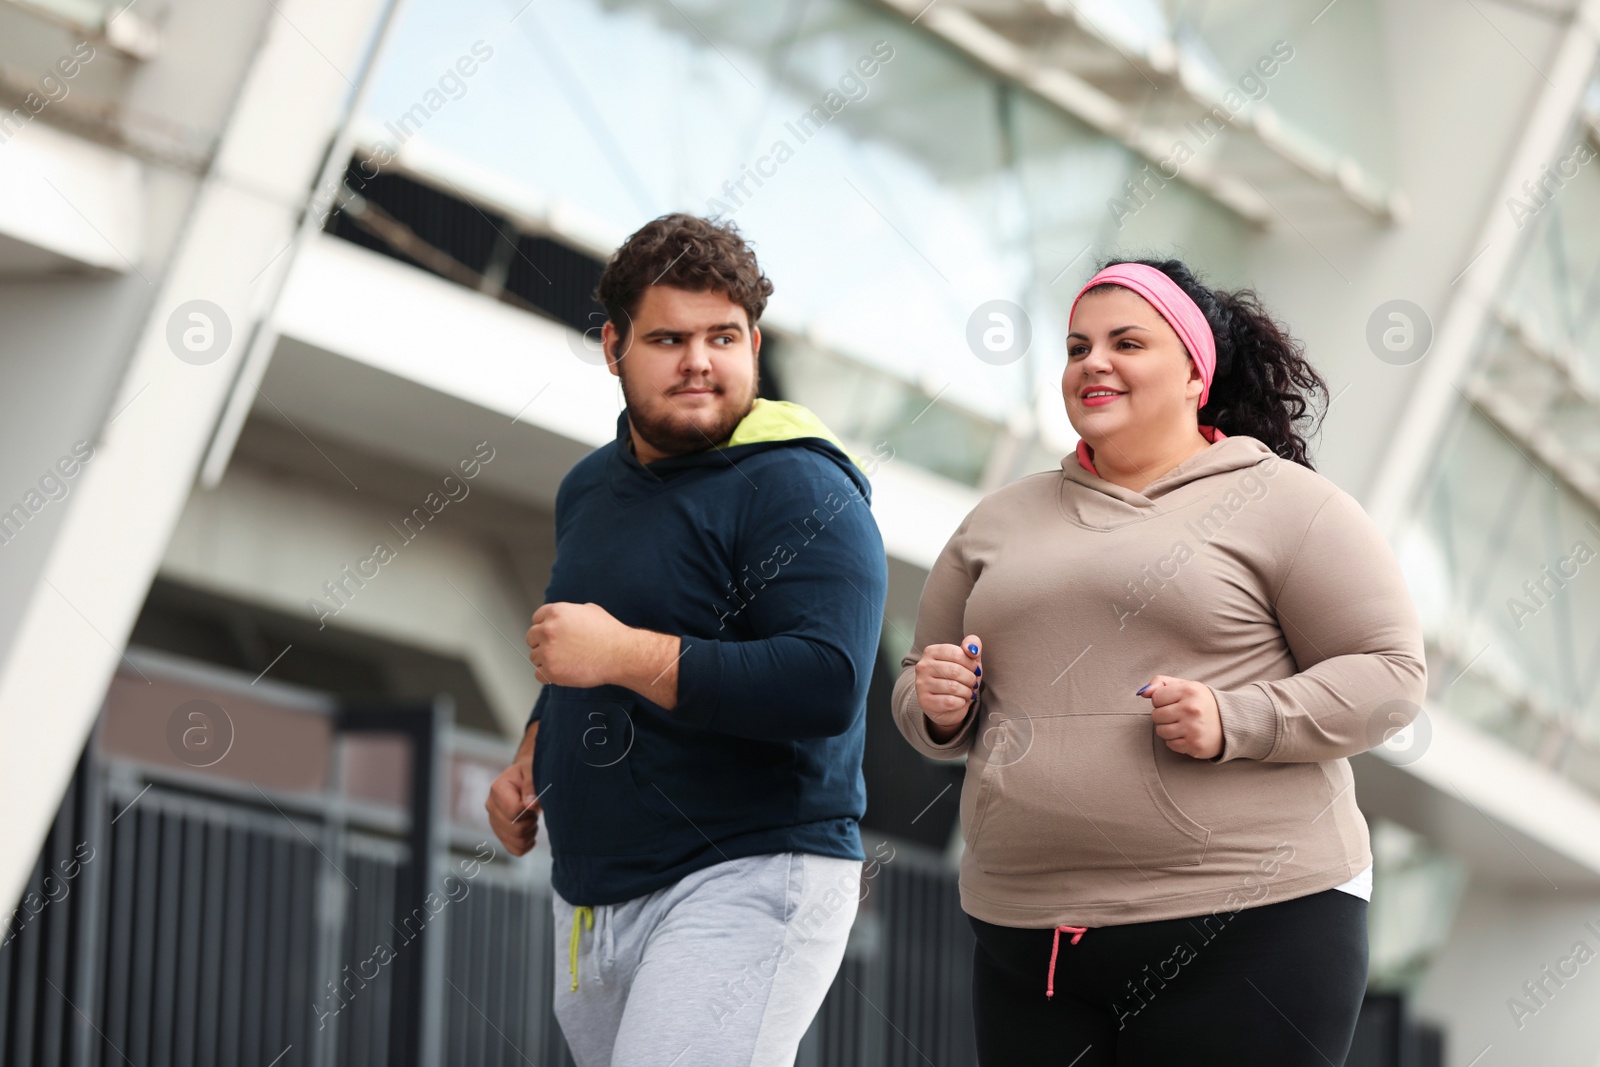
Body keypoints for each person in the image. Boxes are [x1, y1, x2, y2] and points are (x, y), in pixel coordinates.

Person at [892, 259, 1427, 1066]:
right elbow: (919, 677)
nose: (1092, 362)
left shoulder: (1289, 504)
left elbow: (1392, 674)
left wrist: (1235, 718)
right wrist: (936, 704)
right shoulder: (998, 520)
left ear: (1193, 369)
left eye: (1125, 342)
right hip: (1026, 934)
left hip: (1252, 921)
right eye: (1077, 347)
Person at [484, 213, 888, 1067]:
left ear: (754, 342)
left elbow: (824, 685)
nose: (699, 360)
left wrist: (625, 654)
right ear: (612, 347)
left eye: (722, 337)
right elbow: (578, 643)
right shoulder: (590, 487)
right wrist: (533, 747)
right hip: (593, 894)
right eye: (668, 338)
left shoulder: (803, 483)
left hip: (750, 870)